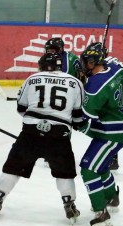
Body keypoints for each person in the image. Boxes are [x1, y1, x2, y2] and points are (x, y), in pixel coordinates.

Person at [0, 53, 85, 224]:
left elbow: (21, 108)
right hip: (59, 134)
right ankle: (69, 204)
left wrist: (36, 124)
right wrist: (72, 123)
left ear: (40, 66)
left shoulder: (32, 79)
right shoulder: (74, 82)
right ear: (59, 66)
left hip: (30, 132)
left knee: (13, 168)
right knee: (64, 173)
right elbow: (78, 115)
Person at [75, 42, 123, 226]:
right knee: (101, 166)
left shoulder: (95, 84)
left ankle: (101, 213)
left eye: (86, 62)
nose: (83, 66)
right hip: (117, 127)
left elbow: (85, 116)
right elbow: (121, 69)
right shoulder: (115, 69)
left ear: (93, 62)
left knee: (88, 169)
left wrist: (74, 121)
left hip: (110, 134)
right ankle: (111, 197)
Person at [42, 37, 80, 168]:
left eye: (53, 49)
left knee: (64, 123)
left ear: (61, 49)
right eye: (48, 49)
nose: (50, 52)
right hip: (54, 95)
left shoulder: (71, 60)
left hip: (69, 96)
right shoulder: (46, 59)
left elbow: (78, 78)